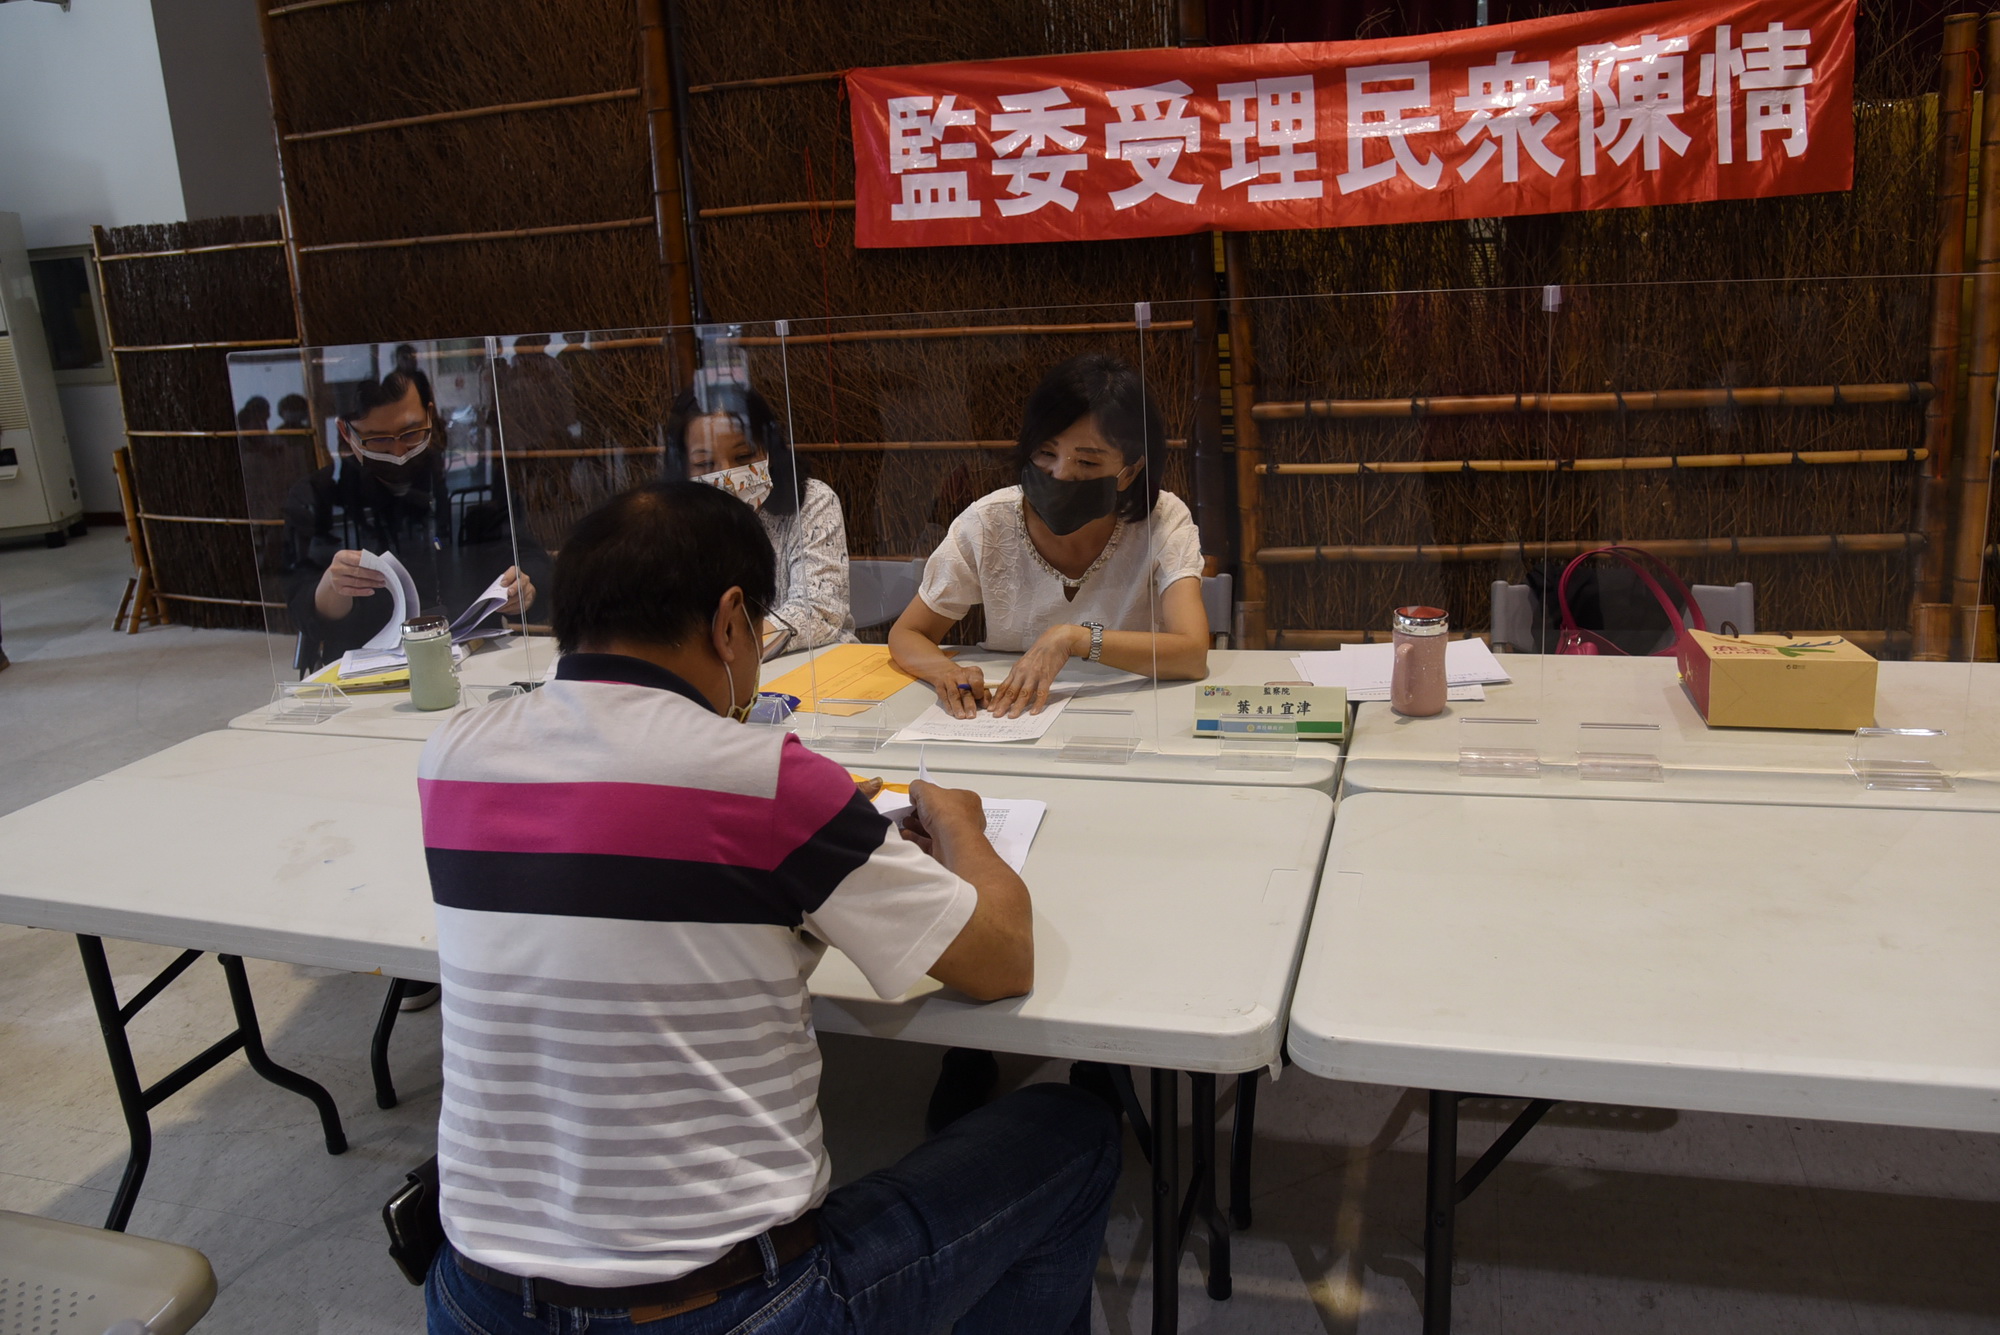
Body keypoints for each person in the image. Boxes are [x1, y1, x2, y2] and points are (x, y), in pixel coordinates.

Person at [418, 480, 1120, 1335]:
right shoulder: (766, 780)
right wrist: (956, 822)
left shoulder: (450, 755)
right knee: (1073, 1135)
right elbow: (1003, 954)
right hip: (734, 1311)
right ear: (730, 622)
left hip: (474, 1302)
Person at [890, 353, 1209, 719]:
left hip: (1128, 715)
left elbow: (1192, 653)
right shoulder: (988, 522)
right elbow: (908, 633)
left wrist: (1073, 639)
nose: (1059, 474)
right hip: (1009, 714)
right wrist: (947, 672)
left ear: (1129, 471)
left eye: (1087, 461)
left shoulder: (1162, 520)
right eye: (1045, 453)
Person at [280, 365, 536, 675]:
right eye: (378, 440)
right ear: (347, 432)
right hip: (366, 665)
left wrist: (523, 589)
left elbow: (530, 562)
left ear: (430, 415)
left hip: (475, 656)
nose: (398, 451)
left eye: (411, 433)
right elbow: (304, 611)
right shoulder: (318, 497)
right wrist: (333, 587)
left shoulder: (469, 479)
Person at [666, 385, 856, 650]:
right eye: (705, 465)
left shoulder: (813, 501)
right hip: (716, 671)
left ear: (768, 450)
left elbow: (819, 611)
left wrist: (731, 648)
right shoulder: (669, 520)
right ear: (682, 468)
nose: (727, 475)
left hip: (813, 662)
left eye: (743, 456)